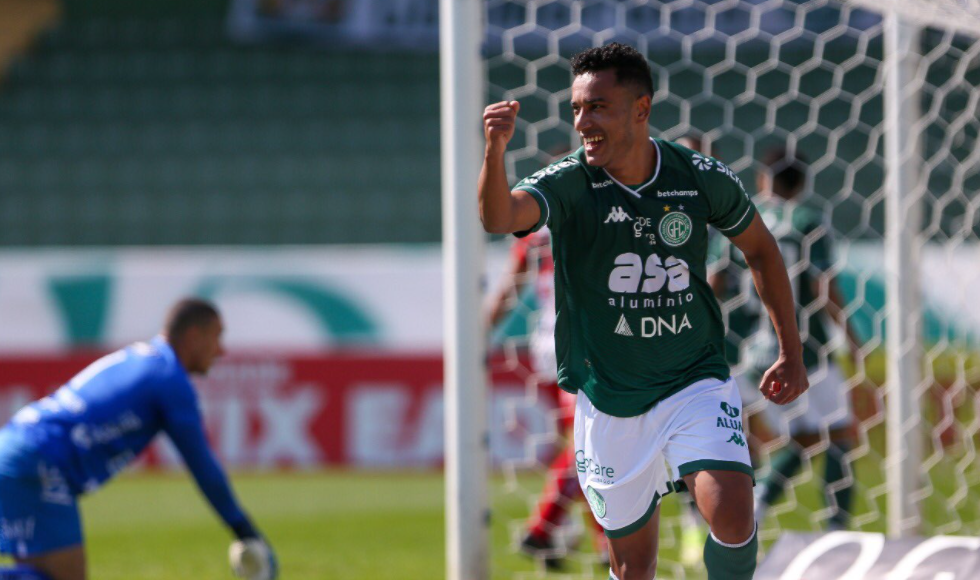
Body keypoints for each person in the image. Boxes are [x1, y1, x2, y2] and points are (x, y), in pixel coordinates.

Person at [479, 42, 807, 580]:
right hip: (610, 398)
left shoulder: (696, 174)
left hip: (693, 380)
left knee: (731, 509)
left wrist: (790, 351)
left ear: (641, 109)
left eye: (598, 107)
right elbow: (500, 217)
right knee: (635, 567)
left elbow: (762, 248)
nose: (584, 121)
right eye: (577, 108)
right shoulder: (569, 181)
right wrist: (495, 149)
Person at [0, 298, 276, 580]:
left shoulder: (142, 357)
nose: (221, 350)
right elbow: (203, 466)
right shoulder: (169, 379)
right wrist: (246, 531)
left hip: (15, 446)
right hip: (39, 460)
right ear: (194, 336)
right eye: (217, 337)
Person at [726, 147, 860, 530]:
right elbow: (823, 285)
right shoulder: (806, 221)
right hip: (806, 351)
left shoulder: (740, 218)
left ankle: (757, 507)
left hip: (756, 354)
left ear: (762, 179)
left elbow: (716, 281)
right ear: (801, 183)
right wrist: (851, 336)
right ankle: (837, 527)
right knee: (840, 435)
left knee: (802, 437)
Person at [487, 226, 609, 570]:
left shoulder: (536, 225)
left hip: (551, 341)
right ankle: (542, 527)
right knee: (587, 443)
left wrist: (482, 330)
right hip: (585, 342)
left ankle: (603, 541)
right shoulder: (594, 208)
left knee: (585, 441)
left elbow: (511, 287)